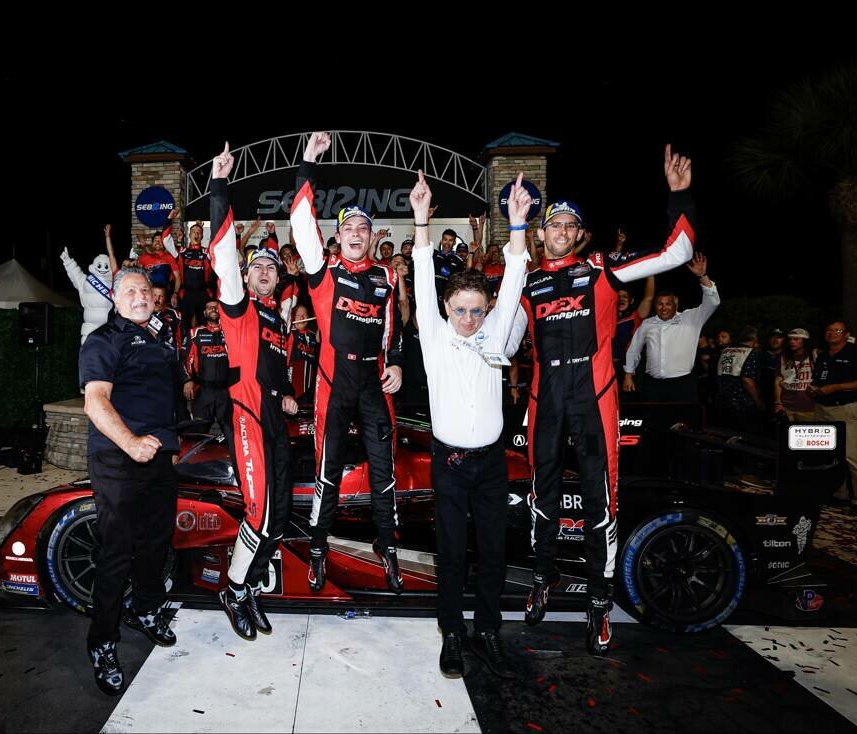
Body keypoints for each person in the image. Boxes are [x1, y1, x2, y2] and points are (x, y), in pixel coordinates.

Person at [512, 145, 695, 656]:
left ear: (580, 233)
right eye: (554, 225)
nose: (562, 232)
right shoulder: (527, 282)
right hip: (544, 400)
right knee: (541, 498)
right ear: (541, 233)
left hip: (594, 399)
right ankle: (541, 578)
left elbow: (676, 253)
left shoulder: (602, 269)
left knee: (601, 503)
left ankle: (599, 603)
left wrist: (678, 196)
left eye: (571, 225)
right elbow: (500, 340)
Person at [410, 169, 530, 679]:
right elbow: (420, 273)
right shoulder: (435, 337)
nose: (469, 320)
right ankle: (452, 635)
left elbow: (518, 271)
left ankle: (486, 632)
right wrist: (420, 222)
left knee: (495, 553)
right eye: (460, 310)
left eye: (477, 311)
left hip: (491, 464)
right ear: (445, 308)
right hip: (450, 464)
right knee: (453, 554)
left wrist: (518, 226)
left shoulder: (495, 330)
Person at [290, 132, 404, 594]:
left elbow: (394, 328)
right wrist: (308, 162)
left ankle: (388, 546)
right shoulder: (324, 270)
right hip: (332, 384)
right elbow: (300, 222)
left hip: (374, 383)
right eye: (349, 229)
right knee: (328, 466)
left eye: (364, 229)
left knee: (384, 467)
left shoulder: (387, 275)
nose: (357, 235)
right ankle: (318, 548)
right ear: (339, 237)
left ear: (373, 236)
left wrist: (395, 362)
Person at [79, 266, 185, 695]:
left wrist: (170, 449)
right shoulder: (103, 340)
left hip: (158, 460)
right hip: (118, 459)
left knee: (155, 544)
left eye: (146, 290)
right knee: (117, 552)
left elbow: (165, 402)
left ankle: (144, 609)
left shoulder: (161, 341)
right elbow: (95, 402)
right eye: (131, 291)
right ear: (116, 299)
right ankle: (102, 642)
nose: (141, 296)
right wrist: (130, 443)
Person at [208, 143, 298, 640]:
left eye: (271, 267)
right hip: (245, 413)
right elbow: (223, 252)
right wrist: (220, 186)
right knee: (259, 510)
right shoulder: (240, 307)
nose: (264, 270)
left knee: (279, 514)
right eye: (256, 266)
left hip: (274, 417)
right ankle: (233, 587)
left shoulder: (276, 318)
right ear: (245, 275)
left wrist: (285, 392)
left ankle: (250, 587)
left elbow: (276, 367)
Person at [622, 253, 719, 402]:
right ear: (655, 306)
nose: (664, 307)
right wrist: (629, 374)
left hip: (683, 385)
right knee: (654, 423)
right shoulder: (647, 324)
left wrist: (703, 276)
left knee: (684, 424)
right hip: (653, 385)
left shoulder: (691, 318)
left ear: (676, 305)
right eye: (660, 304)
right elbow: (634, 349)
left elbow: (713, 302)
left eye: (668, 303)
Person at [811, 321, 857, 515]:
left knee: (853, 456)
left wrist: (837, 387)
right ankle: (839, 494)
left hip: (848, 409)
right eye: (829, 330)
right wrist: (814, 387)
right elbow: (819, 379)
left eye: (837, 330)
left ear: (846, 334)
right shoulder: (823, 356)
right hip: (823, 408)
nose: (832, 333)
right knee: (829, 455)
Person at [182, 300, 232, 442]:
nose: (213, 309)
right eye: (210, 307)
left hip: (227, 392)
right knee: (198, 435)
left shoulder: (231, 333)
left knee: (232, 434)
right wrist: (187, 380)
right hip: (203, 392)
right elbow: (184, 359)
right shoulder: (194, 333)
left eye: (216, 307)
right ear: (204, 312)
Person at [715, 327, 764, 433]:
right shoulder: (751, 353)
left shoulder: (725, 351)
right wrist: (758, 400)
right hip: (743, 404)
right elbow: (747, 380)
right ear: (754, 339)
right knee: (747, 438)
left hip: (723, 402)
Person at [773, 328, 817, 422]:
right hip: (787, 406)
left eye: (796, 339)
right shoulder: (783, 357)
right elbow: (778, 380)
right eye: (790, 339)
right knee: (786, 435)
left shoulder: (814, 355)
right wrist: (778, 402)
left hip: (809, 407)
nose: (792, 342)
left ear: (804, 341)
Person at [287, 303, 319, 403]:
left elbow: (322, 334)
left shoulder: (313, 335)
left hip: (310, 381)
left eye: (304, 315)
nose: (302, 317)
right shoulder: (290, 331)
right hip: (292, 377)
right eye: (298, 315)